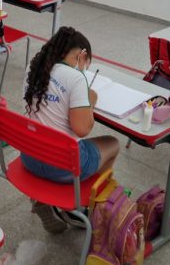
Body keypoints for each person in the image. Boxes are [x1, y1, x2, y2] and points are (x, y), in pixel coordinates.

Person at [22, 26, 120, 233]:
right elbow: (82, 129)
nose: (84, 70)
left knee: (58, 137)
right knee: (113, 143)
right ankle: (81, 207)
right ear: (82, 56)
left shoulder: (34, 69)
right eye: (86, 64)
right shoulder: (76, 78)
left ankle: (43, 200)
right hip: (62, 166)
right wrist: (90, 101)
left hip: (29, 157)